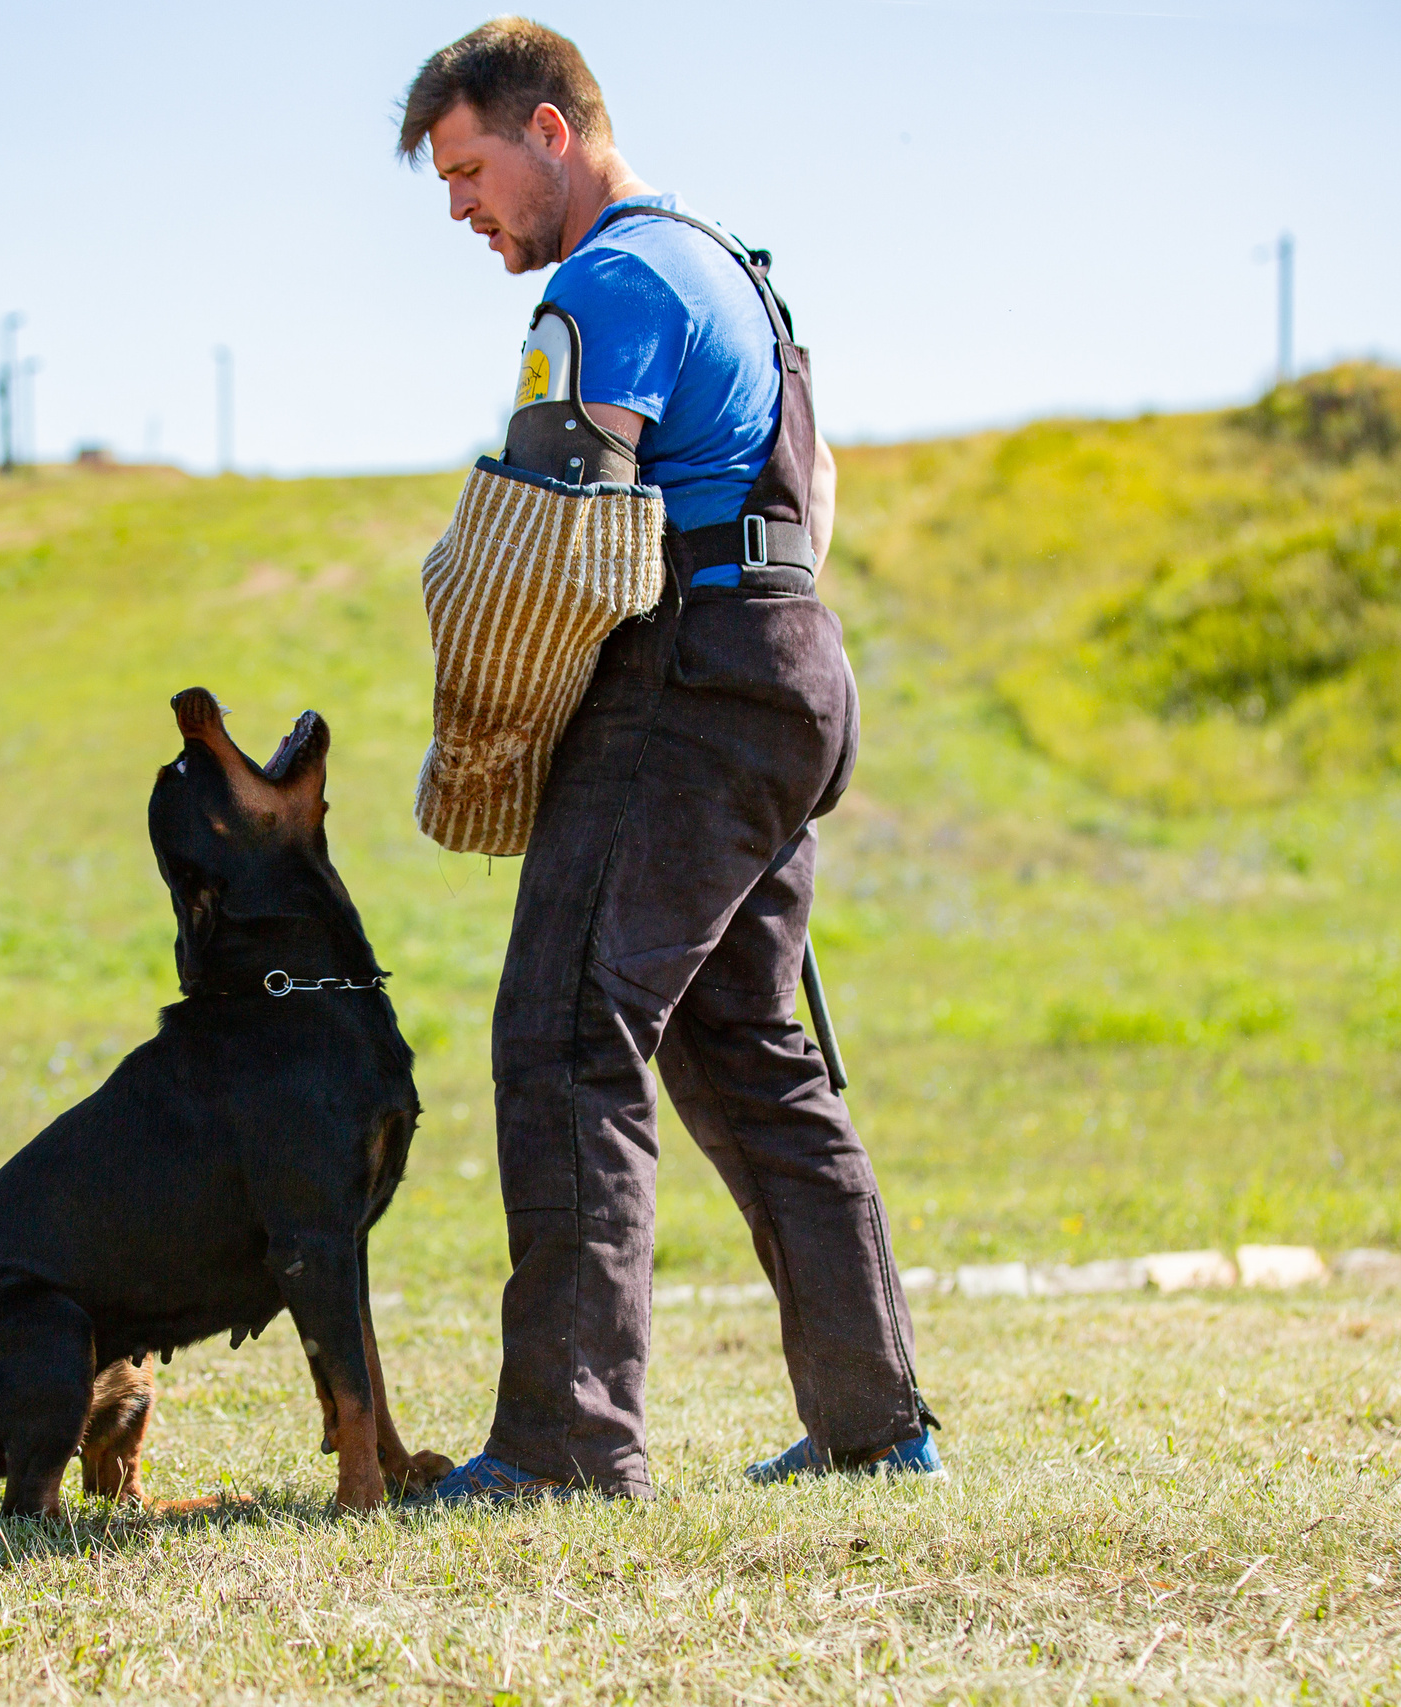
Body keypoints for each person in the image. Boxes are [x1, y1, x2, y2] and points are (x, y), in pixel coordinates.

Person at [396, 19, 942, 1500]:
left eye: (469, 170)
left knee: (569, 1030)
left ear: (552, 132)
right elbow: (813, 488)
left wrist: (491, 725)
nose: (462, 211)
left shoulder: (613, 277)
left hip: (687, 672)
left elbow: (550, 520)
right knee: (743, 1046)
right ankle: (876, 1426)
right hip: (784, 657)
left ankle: (569, 1448)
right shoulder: (736, 271)